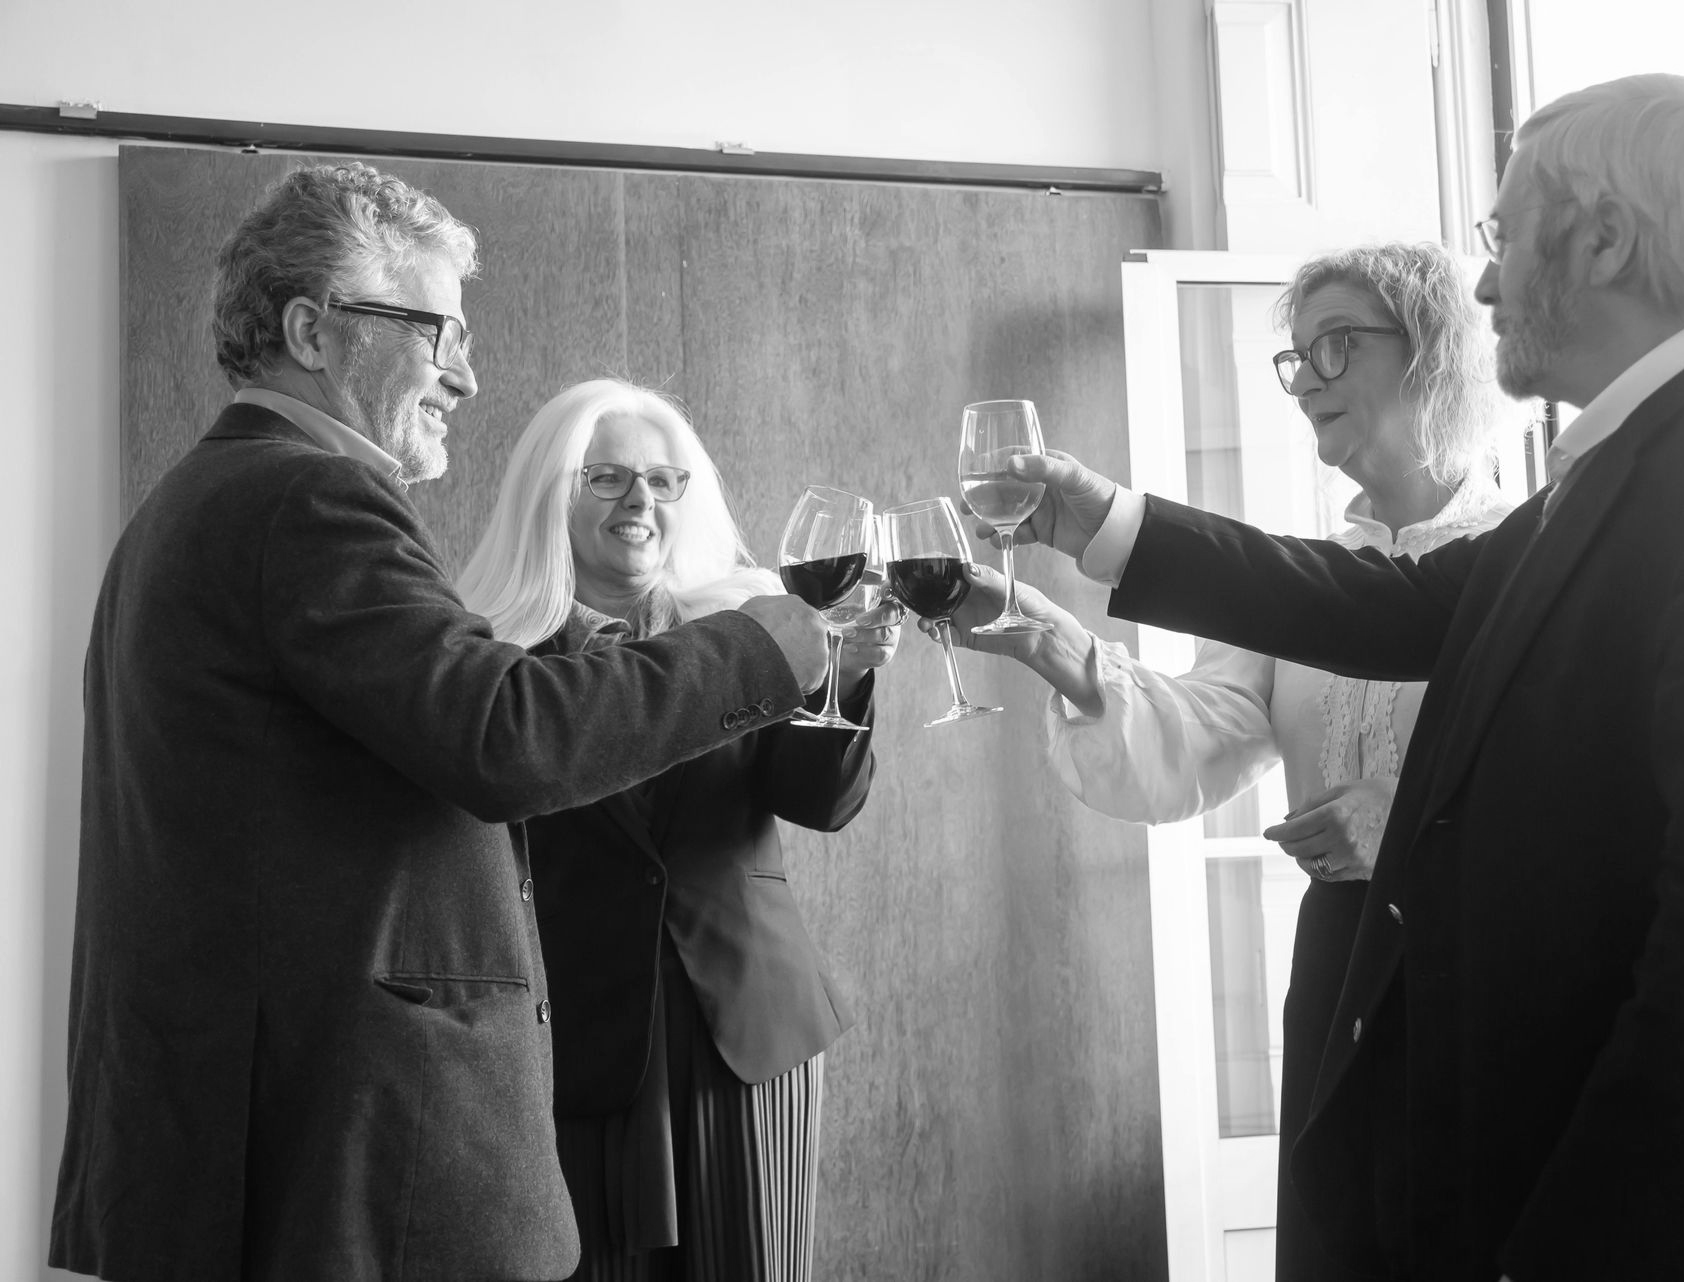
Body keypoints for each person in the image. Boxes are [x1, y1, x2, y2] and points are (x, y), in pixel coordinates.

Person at [995, 74, 1684, 1280]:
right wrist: (1103, 521)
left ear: (1603, 237)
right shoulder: (1627, 461)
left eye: (1502, 235)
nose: (1485, 284)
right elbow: (1387, 604)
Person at [50, 163, 830, 1282]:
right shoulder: (308, 498)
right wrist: (772, 641)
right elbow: (507, 734)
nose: (465, 375)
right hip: (346, 1168)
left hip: (250, 1155)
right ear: (314, 331)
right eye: (437, 332)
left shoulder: (188, 508)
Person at [941, 244, 1510, 1280]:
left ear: (1437, 350)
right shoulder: (1308, 580)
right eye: (1298, 360)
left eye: (1339, 343)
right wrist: (1054, 643)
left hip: (1496, 975)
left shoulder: (1532, 551)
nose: (1311, 382)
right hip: (1340, 969)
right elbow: (1196, 738)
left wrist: (1414, 820)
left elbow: (1594, 777)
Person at [459, 379, 896, 1282]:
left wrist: (842, 680)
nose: (641, 502)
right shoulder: (490, 660)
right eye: (609, 476)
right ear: (553, 492)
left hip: (749, 1028)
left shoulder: (748, 625)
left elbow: (822, 802)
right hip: (578, 1039)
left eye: (664, 479)